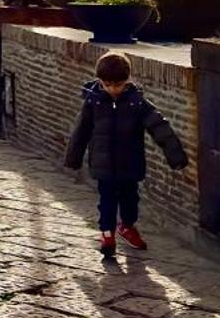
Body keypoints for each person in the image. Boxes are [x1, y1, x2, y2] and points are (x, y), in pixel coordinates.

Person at [65, 50, 189, 258]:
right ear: (100, 81)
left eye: (118, 85)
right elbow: (81, 131)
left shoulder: (137, 103)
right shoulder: (93, 103)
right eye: (108, 85)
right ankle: (107, 235)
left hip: (130, 163)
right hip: (103, 164)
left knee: (130, 199)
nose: (113, 89)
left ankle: (127, 226)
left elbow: (160, 128)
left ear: (127, 81)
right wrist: (73, 158)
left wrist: (175, 156)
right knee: (107, 202)